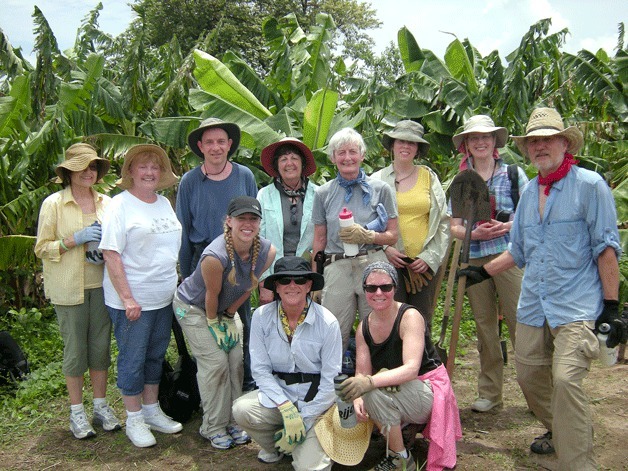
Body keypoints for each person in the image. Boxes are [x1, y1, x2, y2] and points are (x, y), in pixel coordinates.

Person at [459, 108, 624, 470]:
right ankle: (566, 431)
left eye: (547, 139)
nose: (540, 147)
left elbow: (606, 248)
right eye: (533, 141)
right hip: (535, 303)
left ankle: (578, 462)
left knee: (564, 379)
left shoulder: (590, 186)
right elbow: (519, 250)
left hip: (575, 306)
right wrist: (482, 273)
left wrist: (611, 307)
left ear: (565, 143)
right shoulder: (531, 191)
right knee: (528, 376)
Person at [173, 196, 276, 449]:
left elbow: (249, 285)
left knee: (235, 362)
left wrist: (229, 316)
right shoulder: (214, 256)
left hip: (224, 309)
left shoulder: (266, 251)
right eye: (241, 218)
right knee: (216, 363)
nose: (247, 224)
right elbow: (210, 295)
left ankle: (233, 420)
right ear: (229, 221)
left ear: (260, 223)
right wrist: (213, 322)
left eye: (253, 218)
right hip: (194, 308)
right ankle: (213, 425)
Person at [339, 261, 461, 471]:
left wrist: (367, 384)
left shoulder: (410, 316)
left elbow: (412, 368)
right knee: (364, 397)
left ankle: (400, 459)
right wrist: (357, 397)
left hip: (429, 388)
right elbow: (362, 371)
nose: (379, 292)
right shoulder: (364, 327)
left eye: (385, 287)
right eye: (371, 288)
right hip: (397, 389)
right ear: (365, 290)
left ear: (394, 288)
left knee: (373, 393)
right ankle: (400, 446)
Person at [35, 143, 121, 439]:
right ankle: (76, 412)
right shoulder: (54, 204)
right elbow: (41, 248)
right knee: (75, 352)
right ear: (69, 172)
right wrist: (74, 240)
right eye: (82, 167)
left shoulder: (108, 203)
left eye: (93, 167)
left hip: (102, 286)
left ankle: (100, 406)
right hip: (69, 288)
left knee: (100, 350)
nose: (89, 172)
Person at [100, 144, 182, 448]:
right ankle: (133, 418)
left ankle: (151, 410)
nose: (149, 172)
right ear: (131, 172)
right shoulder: (118, 205)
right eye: (143, 166)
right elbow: (111, 254)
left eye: (155, 167)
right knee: (133, 359)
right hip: (133, 300)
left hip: (163, 297)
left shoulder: (163, 203)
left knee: (155, 356)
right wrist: (127, 298)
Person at [449, 115, 529, 413]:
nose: (480, 142)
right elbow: (454, 227)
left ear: (495, 141)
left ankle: (538, 389)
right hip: (475, 258)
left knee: (522, 322)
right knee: (484, 326)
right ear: (467, 145)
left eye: (486, 137)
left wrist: (507, 228)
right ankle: (490, 392)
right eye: (474, 138)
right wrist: (473, 232)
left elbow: (531, 216)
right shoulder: (461, 180)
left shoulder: (513, 174)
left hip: (510, 257)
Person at [232, 256, 341, 469]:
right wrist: (285, 408)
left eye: (300, 280)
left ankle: (303, 441)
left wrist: (304, 418)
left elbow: (331, 381)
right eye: (285, 280)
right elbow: (260, 370)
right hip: (280, 394)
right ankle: (278, 446)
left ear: (309, 285)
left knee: (311, 468)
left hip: (316, 402)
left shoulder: (328, 323)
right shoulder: (261, 317)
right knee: (242, 410)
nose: (292, 286)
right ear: (276, 287)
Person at [177, 117, 258, 390]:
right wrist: (187, 273)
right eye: (209, 142)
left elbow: (254, 223)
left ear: (230, 144)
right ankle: (211, 389)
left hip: (239, 262)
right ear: (200, 146)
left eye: (220, 141)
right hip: (202, 262)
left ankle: (244, 382)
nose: (215, 147)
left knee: (239, 323)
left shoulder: (244, 176)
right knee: (206, 325)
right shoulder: (190, 181)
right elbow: (184, 230)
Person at [311, 127, 398, 349]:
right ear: (332, 158)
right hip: (337, 265)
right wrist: (315, 281)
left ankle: (376, 375)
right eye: (341, 152)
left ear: (362, 155)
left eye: (352, 151)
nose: (347, 157)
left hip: (373, 262)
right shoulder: (323, 193)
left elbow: (392, 235)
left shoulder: (382, 189)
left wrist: (368, 235)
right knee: (334, 326)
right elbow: (319, 240)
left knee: (377, 324)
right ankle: (333, 377)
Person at [372, 120, 449, 329]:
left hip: (422, 267)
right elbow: (365, 225)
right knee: (391, 321)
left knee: (421, 321)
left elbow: (443, 222)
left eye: (412, 143)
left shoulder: (429, 177)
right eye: (401, 141)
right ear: (392, 145)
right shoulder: (376, 180)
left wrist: (429, 257)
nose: (405, 146)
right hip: (388, 264)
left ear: (417, 149)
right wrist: (385, 247)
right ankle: (394, 362)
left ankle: (421, 362)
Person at [257, 138, 318, 305]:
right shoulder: (264, 195)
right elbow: (258, 240)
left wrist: (316, 278)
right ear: (277, 165)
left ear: (303, 164)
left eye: (294, 158)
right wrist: (263, 283)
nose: (289, 163)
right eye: (283, 159)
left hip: (305, 275)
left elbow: (322, 238)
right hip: (274, 273)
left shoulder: (318, 194)